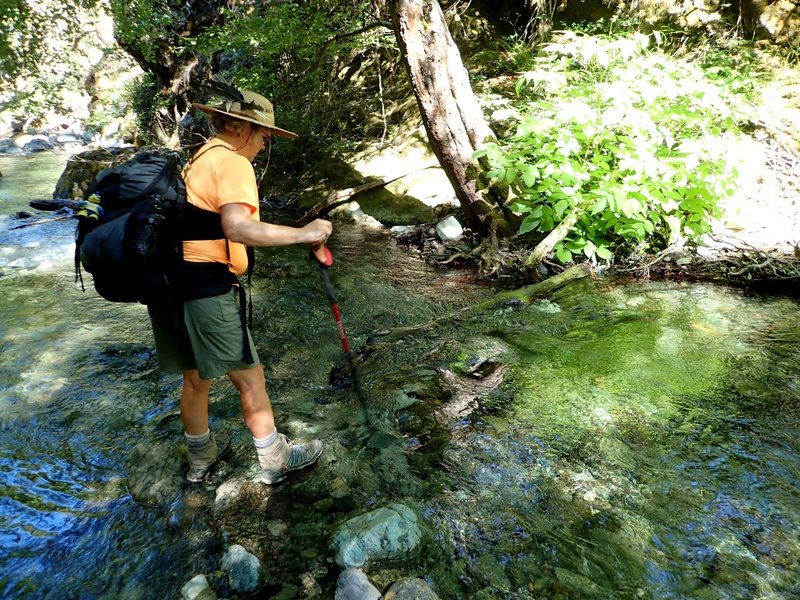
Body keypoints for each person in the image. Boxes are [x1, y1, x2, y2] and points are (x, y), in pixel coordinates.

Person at [147, 88, 333, 485]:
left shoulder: (197, 158)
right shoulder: (231, 163)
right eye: (264, 134)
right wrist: (305, 233)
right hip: (205, 288)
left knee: (196, 380)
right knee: (251, 380)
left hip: (167, 286)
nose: (266, 143)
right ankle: (277, 460)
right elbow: (237, 228)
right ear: (243, 127)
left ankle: (201, 460)